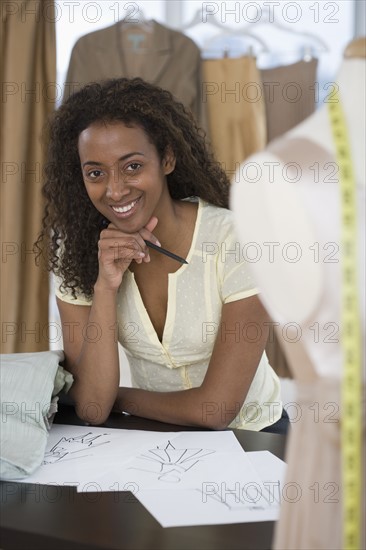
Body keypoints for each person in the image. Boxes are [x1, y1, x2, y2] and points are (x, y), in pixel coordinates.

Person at [35, 77, 287, 433]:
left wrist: (118, 399)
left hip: (253, 435)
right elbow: (92, 407)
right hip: (153, 437)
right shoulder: (75, 251)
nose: (116, 189)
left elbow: (215, 410)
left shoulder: (239, 238)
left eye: (133, 166)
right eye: (96, 173)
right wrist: (105, 287)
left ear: (166, 158)